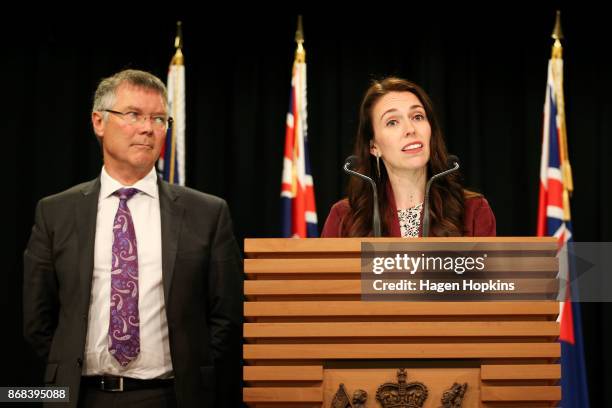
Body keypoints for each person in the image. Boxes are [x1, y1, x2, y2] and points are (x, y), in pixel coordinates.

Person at [23, 69, 243, 408]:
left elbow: (226, 315)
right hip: (79, 396)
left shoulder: (207, 213)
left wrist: (187, 367)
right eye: (133, 115)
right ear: (99, 122)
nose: (147, 128)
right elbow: (37, 321)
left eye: (158, 119)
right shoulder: (55, 212)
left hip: (172, 396)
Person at [321, 77, 495, 237]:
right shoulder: (344, 217)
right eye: (392, 122)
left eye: (417, 117)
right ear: (374, 147)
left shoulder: (473, 211)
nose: (410, 129)